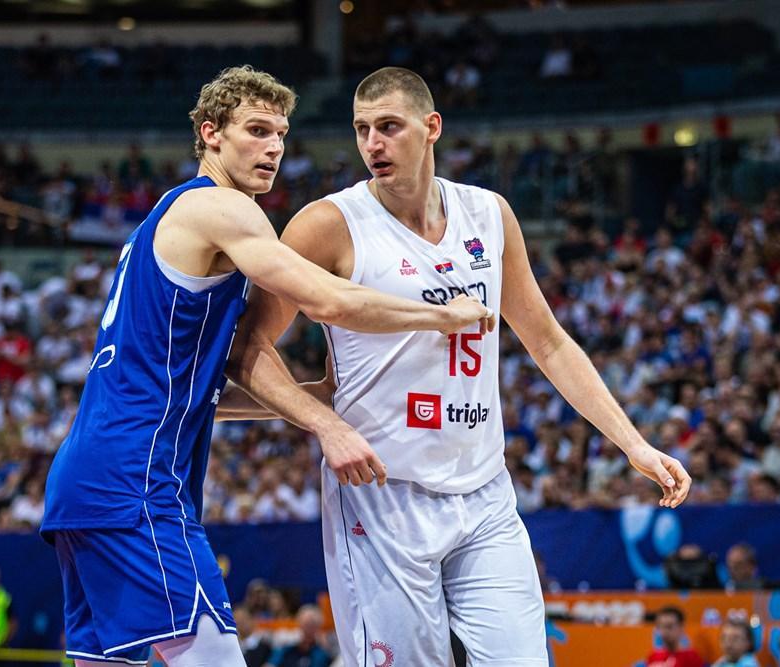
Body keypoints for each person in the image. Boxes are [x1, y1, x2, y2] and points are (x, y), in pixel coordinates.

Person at [218, 66, 691, 666]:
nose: (373, 144)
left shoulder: (488, 213)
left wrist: (634, 444)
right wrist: (325, 424)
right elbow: (248, 350)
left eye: (389, 126)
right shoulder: (327, 224)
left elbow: (548, 342)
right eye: (362, 129)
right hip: (382, 494)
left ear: (432, 127)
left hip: (484, 490)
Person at [41, 66, 492, 667]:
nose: (274, 147)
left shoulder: (166, 216)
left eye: (280, 134)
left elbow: (197, 395)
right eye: (256, 131)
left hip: (85, 479)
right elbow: (327, 299)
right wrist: (440, 316)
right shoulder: (222, 208)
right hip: (135, 483)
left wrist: (311, 399)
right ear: (211, 134)